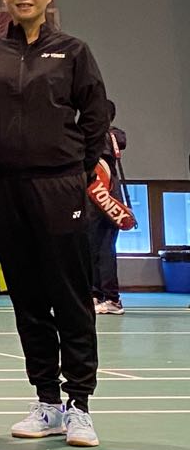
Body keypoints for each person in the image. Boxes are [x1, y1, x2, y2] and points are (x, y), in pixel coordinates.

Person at [0, 0, 112, 448]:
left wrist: (77, 168)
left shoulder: (73, 52)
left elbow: (95, 115)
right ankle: (47, 403)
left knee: (69, 296)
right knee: (28, 299)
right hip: (4, 188)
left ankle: (80, 405)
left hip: (60, 186)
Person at [90, 126, 129, 316]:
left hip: (105, 203)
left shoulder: (105, 137)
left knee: (104, 251)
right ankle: (96, 295)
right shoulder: (113, 136)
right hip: (103, 202)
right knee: (94, 251)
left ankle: (112, 298)